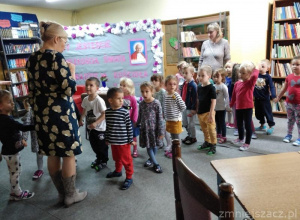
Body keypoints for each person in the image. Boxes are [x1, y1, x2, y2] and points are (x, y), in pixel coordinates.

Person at [26, 21, 87, 206]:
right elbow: (69, 89)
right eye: (65, 41)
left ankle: (62, 193)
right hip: (60, 114)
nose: (65, 45)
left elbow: (31, 90)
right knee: (68, 153)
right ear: (56, 39)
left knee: (52, 153)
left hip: (42, 114)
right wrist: (73, 72)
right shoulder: (56, 58)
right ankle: (71, 195)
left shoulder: (31, 59)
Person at [0, 90, 35, 200]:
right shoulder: (8, 120)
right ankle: (17, 193)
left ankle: (13, 191)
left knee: (15, 171)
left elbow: (12, 134)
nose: (13, 103)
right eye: (9, 102)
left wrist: (21, 140)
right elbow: (22, 127)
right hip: (11, 152)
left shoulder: (4, 120)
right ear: (0, 106)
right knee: (16, 173)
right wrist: (36, 125)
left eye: (12, 101)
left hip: (8, 151)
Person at [105, 87, 135, 190]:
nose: (122, 100)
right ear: (110, 100)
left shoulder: (124, 112)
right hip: (113, 141)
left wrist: (130, 140)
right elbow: (108, 126)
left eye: (122, 98)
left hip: (123, 142)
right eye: (119, 98)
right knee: (116, 158)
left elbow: (129, 127)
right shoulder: (107, 112)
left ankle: (129, 177)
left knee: (126, 160)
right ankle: (118, 171)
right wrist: (107, 138)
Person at [79, 77, 108, 172]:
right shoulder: (86, 99)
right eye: (86, 85)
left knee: (101, 146)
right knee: (94, 145)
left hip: (100, 129)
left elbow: (104, 114)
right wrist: (81, 119)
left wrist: (96, 123)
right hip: (91, 128)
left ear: (97, 88)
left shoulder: (99, 100)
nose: (88, 87)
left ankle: (103, 161)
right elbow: (84, 110)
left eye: (91, 85)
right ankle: (98, 158)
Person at [230, 62, 259, 151]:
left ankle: (247, 143)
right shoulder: (237, 83)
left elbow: (254, 76)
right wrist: (231, 104)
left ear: (249, 74)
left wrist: (255, 68)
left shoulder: (250, 83)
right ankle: (241, 138)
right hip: (238, 107)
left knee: (247, 125)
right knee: (239, 124)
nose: (241, 74)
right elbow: (234, 95)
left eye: (243, 73)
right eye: (240, 72)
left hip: (247, 108)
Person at [136, 82, 164, 173]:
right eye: (142, 91)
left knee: (154, 145)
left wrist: (161, 131)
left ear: (152, 91)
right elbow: (140, 115)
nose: (144, 94)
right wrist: (137, 123)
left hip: (154, 129)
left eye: (147, 91)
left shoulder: (156, 103)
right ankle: (156, 164)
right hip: (145, 129)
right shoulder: (142, 103)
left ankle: (151, 160)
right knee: (149, 146)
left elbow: (160, 118)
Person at [274, 55, 300, 146]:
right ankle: (289, 135)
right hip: (289, 103)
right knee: (290, 120)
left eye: (297, 64)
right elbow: (284, 89)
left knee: (299, 121)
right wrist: (278, 97)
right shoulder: (289, 77)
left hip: (299, 104)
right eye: (293, 64)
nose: (295, 66)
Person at [164, 75, 186, 158]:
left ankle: (177, 152)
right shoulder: (166, 95)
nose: (172, 86)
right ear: (166, 85)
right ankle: (173, 149)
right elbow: (165, 106)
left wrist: (177, 113)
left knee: (176, 137)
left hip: (176, 120)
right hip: (169, 120)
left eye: (174, 84)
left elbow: (183, 107)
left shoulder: (176, 95)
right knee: (172, 136)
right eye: (170, 84)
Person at [196, 66, 217, 155]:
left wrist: (211, 114)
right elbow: (199, 99)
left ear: (209, 76)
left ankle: (213, 144)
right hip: (201, 112)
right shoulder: (199, 87)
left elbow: (213, 101)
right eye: (199, 75)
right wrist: (197, 109)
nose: (200, 78)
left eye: (202, 76)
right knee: (204, 129)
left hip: (208, 113)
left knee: (211, 129)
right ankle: (207, 142)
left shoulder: (211, 88)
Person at [22, 98, 44, 180]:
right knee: (39, 155)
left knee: (52, 154)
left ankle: (56, 168)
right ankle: (40, 169)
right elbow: (26, 125)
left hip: (47, 137)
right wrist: (24, 138)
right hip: (37, 139)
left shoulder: (43, 110)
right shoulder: (30, 113)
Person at [254, 59, 276, 135]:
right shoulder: (256, 75)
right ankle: (262, 125)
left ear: (268, 68)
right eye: (259, 66)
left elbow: (272, 87)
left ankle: (271, 126)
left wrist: (273, 95)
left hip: (265, 99)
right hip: (257, 98)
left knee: (267, 113)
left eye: (263, 66)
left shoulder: (268, 77)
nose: (260, 68)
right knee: (258, 113)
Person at [150, 74, 172, 152]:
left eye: (156, 80)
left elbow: (164, 103)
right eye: (152, 80)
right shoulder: (152, 92)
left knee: (165, 131)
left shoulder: (163, 92)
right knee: (157, 130)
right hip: (154, 114)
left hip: (162, 114)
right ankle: (160, 143)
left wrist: (163, 114)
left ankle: (169, 144)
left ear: (160, 82)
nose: (154, 82)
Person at [119, 77, 139, 158]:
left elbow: (135, 109)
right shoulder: (120, 96)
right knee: (124, 135)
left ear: (129, 88)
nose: (121, 87)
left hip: (130, 120)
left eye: (124, 85)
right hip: (121, 120)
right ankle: (125, 149)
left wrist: (134, 120)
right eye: (121, 85)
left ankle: (135, 149)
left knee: (133, 135)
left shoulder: (132, 98)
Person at [181, 64, 197, 145]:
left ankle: (193, 137)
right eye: (183, 73)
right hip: (184, 106)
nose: (184, 75)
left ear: (192, 74)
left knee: (191, 124)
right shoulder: (185, 83)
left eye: (186, 73)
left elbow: (195, 98)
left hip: (190, 108)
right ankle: (189, 135)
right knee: (185, 123)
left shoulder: (193, 85)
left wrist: (194, 108)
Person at [212, 68, 230, 144]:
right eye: (214, 77)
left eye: (217, 77)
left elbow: (227, 97)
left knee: (222, 122)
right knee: (217, 121)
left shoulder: (223, 86)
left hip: (222, 108)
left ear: (222, 77)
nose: (215, 79)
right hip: (215, 108)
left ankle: (224, 136)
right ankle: (218, 133)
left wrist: (227, 106)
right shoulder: (213, 86)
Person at [224, 61, 234, 128]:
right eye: (226, 67)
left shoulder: (233, 79)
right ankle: (228, 121)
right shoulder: (225, 78)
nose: (227, 69)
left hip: (231, 97)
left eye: (229, 67)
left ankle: (232, 122)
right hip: (226, 97)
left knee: (231, 110)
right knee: (227, 110)